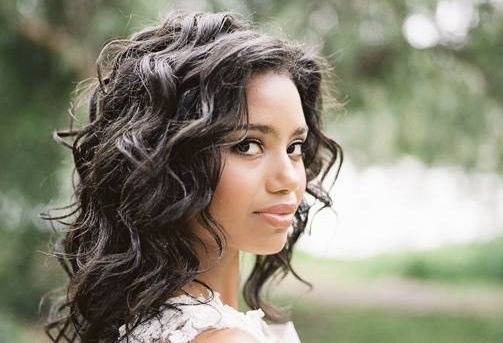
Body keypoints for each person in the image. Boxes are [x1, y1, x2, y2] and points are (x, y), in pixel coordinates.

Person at [41, 9, 343, 343]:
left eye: (294, 146)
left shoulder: (145, 321)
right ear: (170, 160)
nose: (288, 178)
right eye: (248, 145)